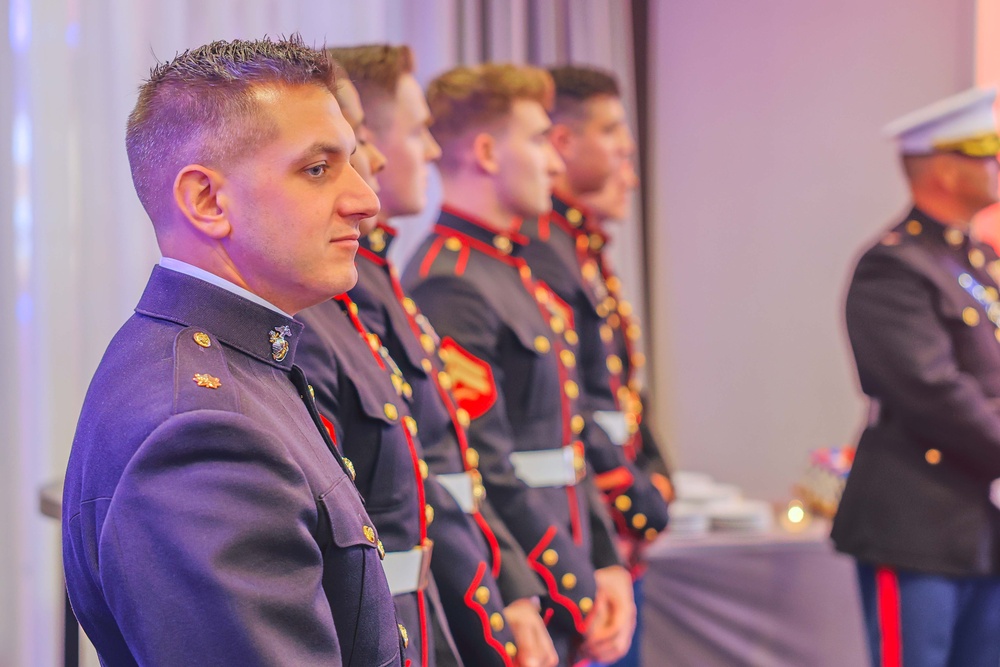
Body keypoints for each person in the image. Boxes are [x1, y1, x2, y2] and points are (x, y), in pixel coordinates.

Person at [61, 37, 402, 666]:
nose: (365, 200)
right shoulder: (201, 429)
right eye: (318, 169)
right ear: (207, 201)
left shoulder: (239, 361)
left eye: (351, 163)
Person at [327, 44, 557, 667]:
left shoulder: (376, 282)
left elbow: (451, 471)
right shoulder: (410, 284)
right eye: (417, 130)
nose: (427, 150)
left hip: (449, 606)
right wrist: (511, 600)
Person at [402, 62, 635, 666]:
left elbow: (570, 441)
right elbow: (482, 469)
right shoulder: (449, 283)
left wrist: (605, 561)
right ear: (485, 152)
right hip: (530, 581)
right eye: (537, 141)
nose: (556, 164)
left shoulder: (513, 269)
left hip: (568, 563)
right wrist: (567, 586)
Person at [832, 86, 1000, 667]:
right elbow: (934, 390)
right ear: (946, 170)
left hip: (981, 525)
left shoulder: (978, 263)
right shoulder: (894, 266)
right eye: (986, 153)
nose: (998, 164)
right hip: (917, 523)